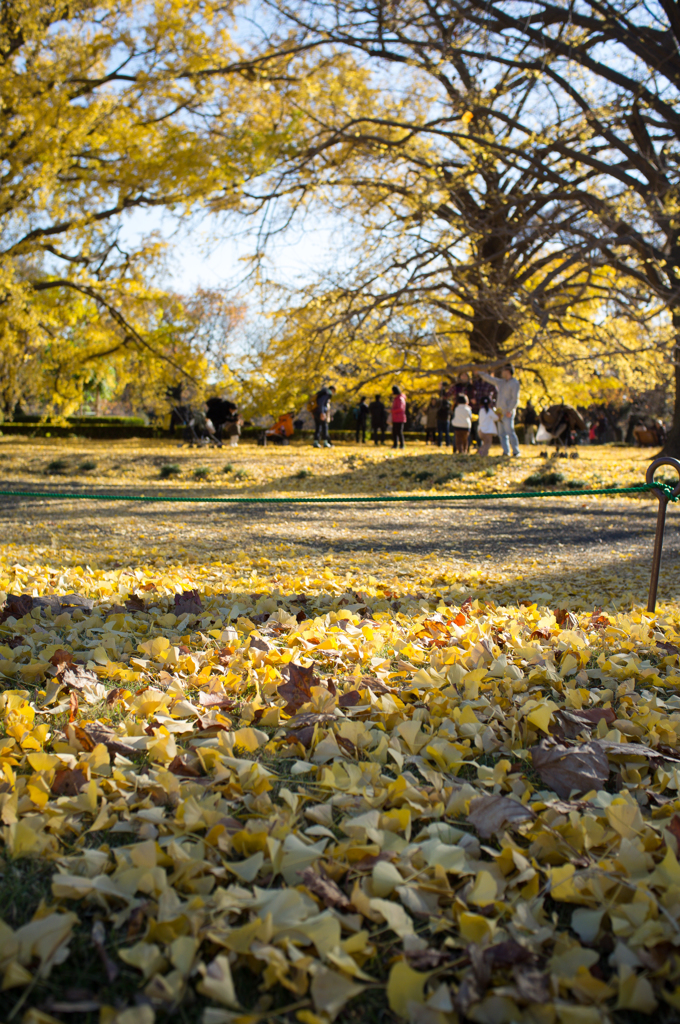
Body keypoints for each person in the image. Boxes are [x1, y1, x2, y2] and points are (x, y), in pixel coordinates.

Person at [478, 364, 520, 457]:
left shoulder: (514, 383)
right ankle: (506, 451)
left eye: (503, 371)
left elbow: (515, 398)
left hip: (508, 412)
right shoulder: (501, 383)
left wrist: (510, 410)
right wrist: (480, 373)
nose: (501, 372)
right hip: (499, 412)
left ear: (508, 371)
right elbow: (490, 379)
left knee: (510, 432)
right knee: (502, 434)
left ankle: (516, 451)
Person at [312, 384, 335, 448]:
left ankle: (316, 442)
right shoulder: (327, 393)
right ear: (332, 390)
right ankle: (325, 443)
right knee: (324, 427)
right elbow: (321, 403)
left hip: (315, 412)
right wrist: (322, 412)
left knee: (318, 427)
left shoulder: (321, 393)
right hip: (321, 412)